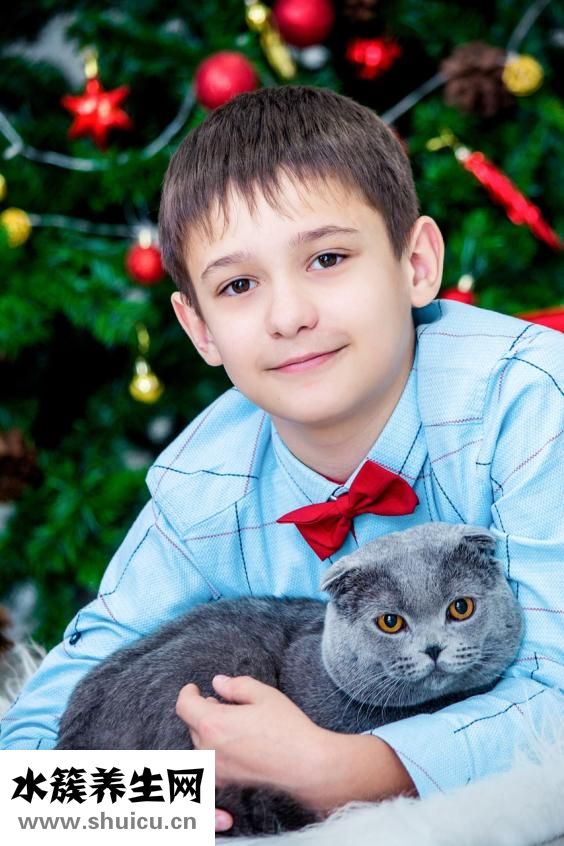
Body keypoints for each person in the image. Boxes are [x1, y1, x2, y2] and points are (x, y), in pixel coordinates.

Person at [1, 86, 563, 834]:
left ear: (416, 264)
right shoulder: (206, 486)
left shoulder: (530, 403)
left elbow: (557, 685)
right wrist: (156, 805)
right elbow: (49, 724)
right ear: (200, 328)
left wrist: (346, 773)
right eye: (238, 285)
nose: (289, 315)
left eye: (327, 258)